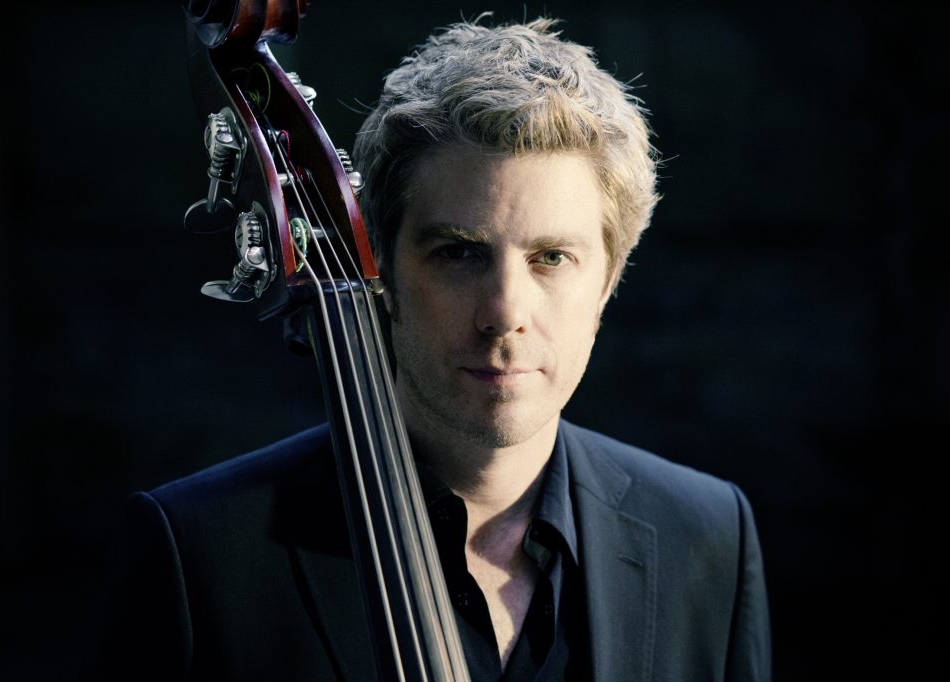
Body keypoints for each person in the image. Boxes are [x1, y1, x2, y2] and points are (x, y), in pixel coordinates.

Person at [93, 17, 771, 681]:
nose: (504, 314)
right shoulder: (199, 553)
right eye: (459, 253)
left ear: (608, 281)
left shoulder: (709, 536)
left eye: (552, 258)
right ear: (384, 271)